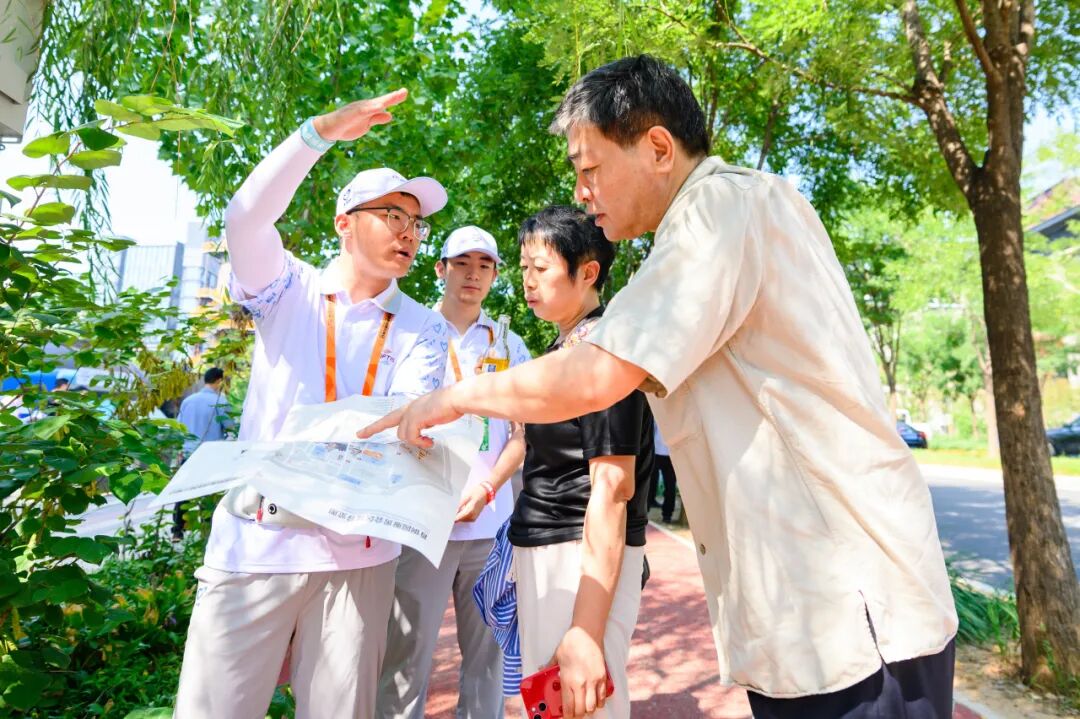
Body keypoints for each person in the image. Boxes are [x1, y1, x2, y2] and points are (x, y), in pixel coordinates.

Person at [361, 56, 958, 719]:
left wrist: (447, 399)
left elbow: (594, 376)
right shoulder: (724, 217)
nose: (583, 192)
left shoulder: (719, 208)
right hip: (808, 607)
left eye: (591, 168)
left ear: (658, 148)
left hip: (849, 608)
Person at [174, 89, 450, 719]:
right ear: (344, 222)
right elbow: (245, 219)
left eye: (417, 223)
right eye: (393, 214)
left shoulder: (424, 326)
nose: (409, 232)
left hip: (360, 556)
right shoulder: (288, 288)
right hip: (258, 541)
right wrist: (317, 133)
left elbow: (403, 423)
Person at [376, 225, 530, 719]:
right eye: (462, 263)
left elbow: (522, 436)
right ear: (440, 268)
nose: (473, 274)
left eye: (484, 265)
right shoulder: (413, 335)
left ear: (496, 275)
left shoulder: (510, 344)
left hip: (490, 524)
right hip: (423, 525)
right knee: (406, 656)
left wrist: (487, 488)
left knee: (488, 661)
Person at [511, 206, 654, 719]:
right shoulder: (568, 346)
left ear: (588, 272)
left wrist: (586, 630)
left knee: (580, 703)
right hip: (555, 549)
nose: (528, 281)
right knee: (556, 703)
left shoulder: (602, 351)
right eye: (523, 268)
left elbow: (613, 488)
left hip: (576, 554)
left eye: (540, 268)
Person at [171, 367, 232, 540]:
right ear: (219, 381)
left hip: (188, 454)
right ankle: (207, 531)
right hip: (210, 456)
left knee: (183, 493)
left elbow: (180, 428)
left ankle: (177, 530)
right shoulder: (221, 401)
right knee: (208, 493)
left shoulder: (188, 401)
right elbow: (230, 427)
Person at [648, 423, 677, 523]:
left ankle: (646, 509)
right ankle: (667, 515)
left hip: (657, 450)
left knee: (650, 482)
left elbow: (652, 430)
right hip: (671, 452)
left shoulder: (658, 414)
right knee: (670, 485)